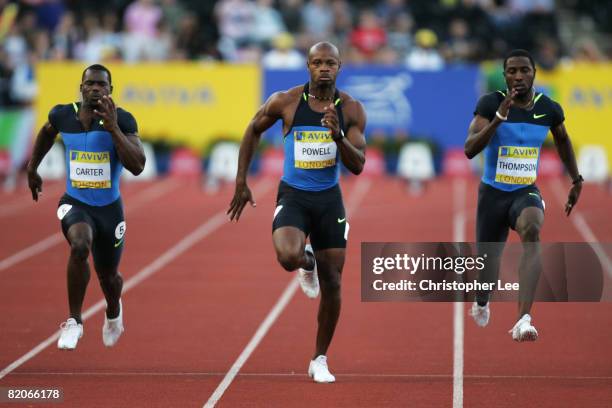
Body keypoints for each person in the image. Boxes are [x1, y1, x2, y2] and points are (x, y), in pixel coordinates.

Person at [227, 42, 366, 382]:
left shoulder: (351, 109)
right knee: (288, 256)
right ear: (307, 65)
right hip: (294, 195)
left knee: (333, 282)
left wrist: (338, 138)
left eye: (330, 62)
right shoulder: (285, 101)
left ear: (339, 66)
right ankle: (308, 262)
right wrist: (241, 181)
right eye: (317, 62)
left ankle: (319, 358)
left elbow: (358, 164)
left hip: (329, 200)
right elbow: (252, 129)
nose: (323, 68)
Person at [464, 49, 582, 341]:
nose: (518, 76)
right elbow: (469, 149)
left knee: (532, 229)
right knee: (487, 271)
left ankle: (523, 319)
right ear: (504, 75)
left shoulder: (549, 108)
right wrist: (498, 119)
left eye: (524, 70)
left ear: (534, 74)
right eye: (512, 71)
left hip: (525, 191)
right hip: (492, 195)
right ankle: (481, 300)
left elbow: (564, 140)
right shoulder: (490, 103)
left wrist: (576, 179)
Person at [27, 64, 145, 350]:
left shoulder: (124, 120)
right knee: (79, 245)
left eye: (101, 85)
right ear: (81, 87)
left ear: (110, 90)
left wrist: (113, 127)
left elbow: (138, 165)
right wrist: (33, 168)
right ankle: (74, 321)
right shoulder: (62, 114)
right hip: (75, 202)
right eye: (90, 84)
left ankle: (114, 311)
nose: (95, 89)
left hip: (109, 210)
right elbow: (45, 132)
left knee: (109, 277)